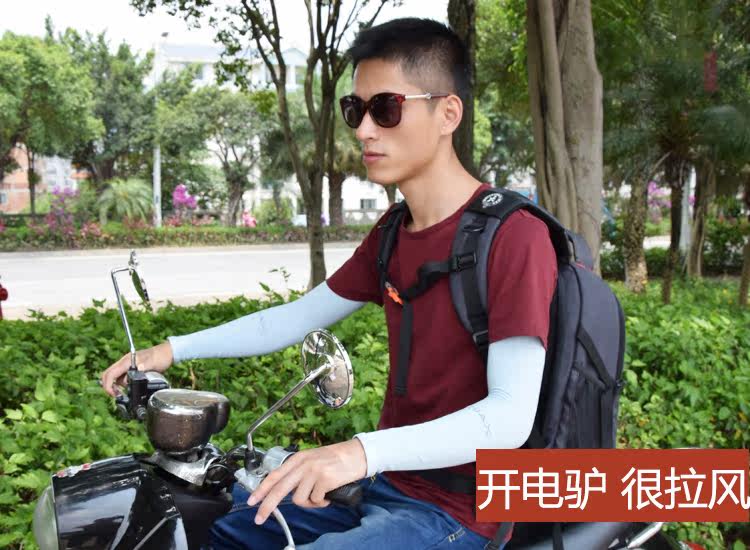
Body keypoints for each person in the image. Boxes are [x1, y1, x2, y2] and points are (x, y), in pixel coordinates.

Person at [100, 17, 557, 550]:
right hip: (385, 483)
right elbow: (295, 318)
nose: (364, 130)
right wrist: (170, 350)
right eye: (355, 110)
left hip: (461, 509)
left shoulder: (514, 236)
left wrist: (357, 452)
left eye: (386, 108)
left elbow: (508, 417)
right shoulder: (394, 232)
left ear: (447, 114)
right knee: (219, 529)